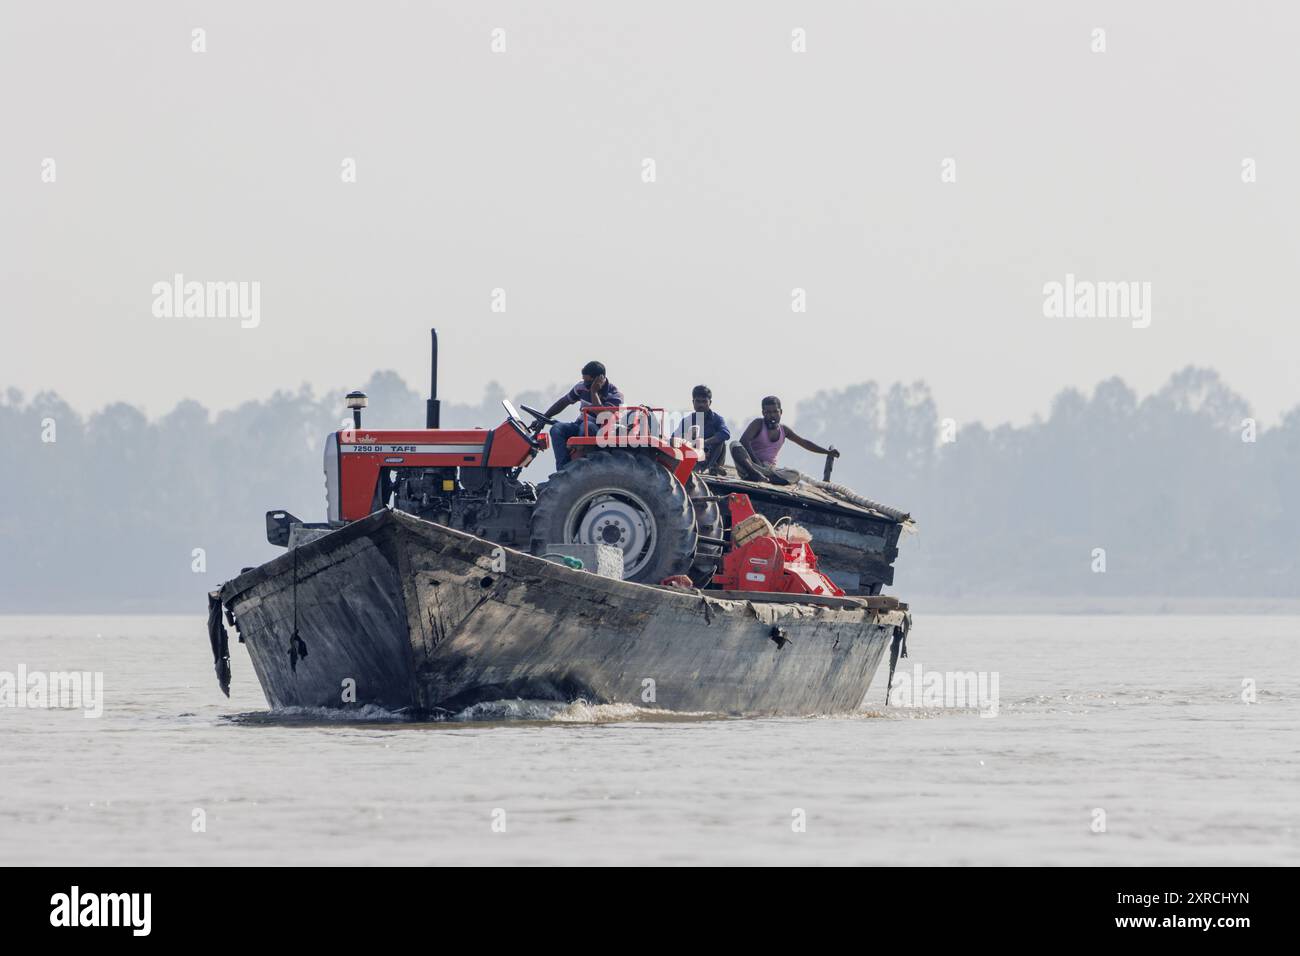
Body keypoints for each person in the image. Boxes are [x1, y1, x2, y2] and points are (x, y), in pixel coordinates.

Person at [730, 395, 839, 483]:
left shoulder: (784, 430)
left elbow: (804, 443)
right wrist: (756, 463)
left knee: (795, 475)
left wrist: (827, 452)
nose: (772, 415)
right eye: (768, 412)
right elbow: (744, 441)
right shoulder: (758, 424)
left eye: (775, 412)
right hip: (750, 466)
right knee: (734, 444)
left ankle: (764, 479)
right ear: (763, 413)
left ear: (780, 412)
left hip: (769, 471)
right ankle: (755, 475)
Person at [542, 361, 624, 469]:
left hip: (600, 429)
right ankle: (563, 470)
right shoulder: (581, 387)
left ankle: (580, 467)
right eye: (584, 381)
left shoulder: (615, 395)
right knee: (557, 429)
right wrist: (544, 417)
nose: (586, 386)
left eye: (589, 383)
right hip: (580, 423)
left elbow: (601, 414)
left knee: (587, 426)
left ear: (600, 378)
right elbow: (564, 402)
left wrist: (594, 392)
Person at [675, 385, 730, 474]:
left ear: (710, 402)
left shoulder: (717, 419)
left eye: (704, 401)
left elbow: (725, 434)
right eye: (698, 401)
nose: (701, 405)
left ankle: (710, 468)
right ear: (693, 402)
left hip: (712, 457)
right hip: (694, 457)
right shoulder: (687, 420)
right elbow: (674, 437)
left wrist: (704, 442)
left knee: (721, 441)